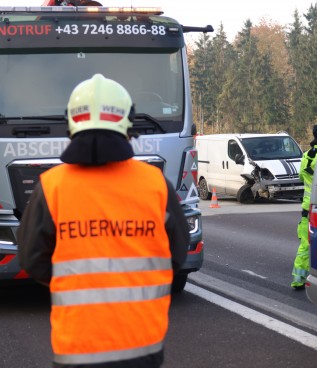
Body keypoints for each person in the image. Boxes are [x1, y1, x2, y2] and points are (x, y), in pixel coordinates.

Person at [17, 73, 189, 368]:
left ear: (71, 122)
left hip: (76, 346)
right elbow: (177, 254)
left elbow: (32, 260)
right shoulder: (155, 184)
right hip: (142, 344)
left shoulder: (51, 186)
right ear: (127, 123)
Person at [291, 123, 317, 290]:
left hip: (307, 208)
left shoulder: (306, 156)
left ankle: (299, 278)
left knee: (305, 244)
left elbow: (301, 176)